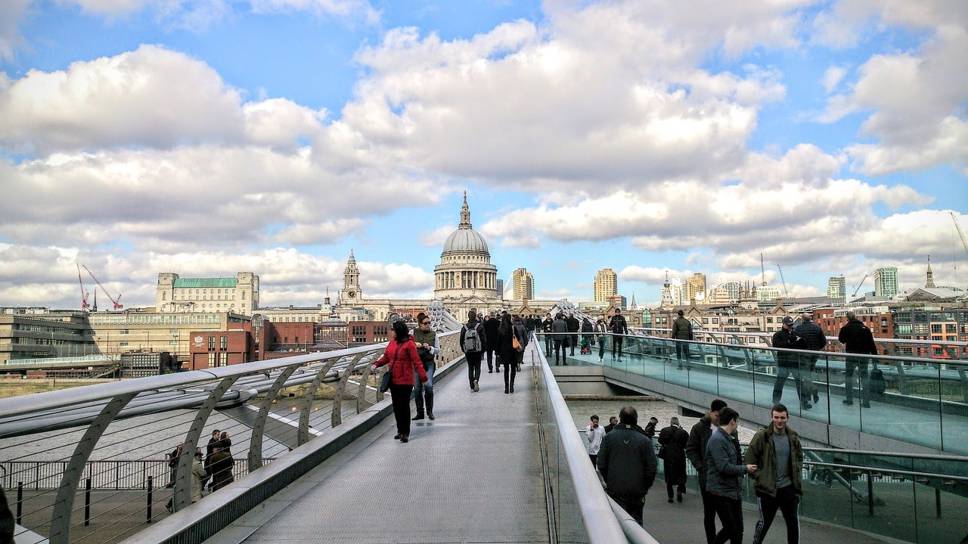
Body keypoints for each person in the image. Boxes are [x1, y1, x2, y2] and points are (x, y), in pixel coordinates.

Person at [745, 404, 804, 544]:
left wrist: (797, 472)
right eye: (776, 417)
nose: (779, 421)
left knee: (793, 524)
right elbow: (749, 460)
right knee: (764, 524)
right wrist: (761, 477)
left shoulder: (793, 437)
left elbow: (799, 457)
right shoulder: (762, 436)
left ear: (787, 418)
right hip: (767, 490)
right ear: (772, 418)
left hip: (788, 488)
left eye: (782, 417)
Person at [597, 406, 658, 526]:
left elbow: (601, 464)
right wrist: (644, 487)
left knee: (616, 524)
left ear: (620, 418)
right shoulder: (644, 440)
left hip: (615, 489)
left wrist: (610, 481)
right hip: (637, 491)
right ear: (636, 419)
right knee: (636, 522)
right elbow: (652, 468)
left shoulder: (609, 438)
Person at [706, 407, 757, 544]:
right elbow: (723, 467)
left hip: (732, 491)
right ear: (732, 421)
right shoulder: (718, 440)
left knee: (738, 529)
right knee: (730, 528)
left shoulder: (726, 438)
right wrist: (745, 469)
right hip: (720, 492)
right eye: (737, 422)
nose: (737, 425)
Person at [373, 320, 429, 443]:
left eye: (393, 330)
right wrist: (376, 364)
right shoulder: (392, 343)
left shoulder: (410, 344)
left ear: (398, 331)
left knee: (404, 406)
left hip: (406, 380)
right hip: (394, 379)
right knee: (397, 406)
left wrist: (423, 377)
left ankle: (405, 432)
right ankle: (399, 430)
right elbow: (386, 357)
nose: (391, 332)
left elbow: (417, 362)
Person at [686, 399, 729, 544]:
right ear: (710, 412)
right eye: (717, 416)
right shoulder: (698, 428)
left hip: (725, 479)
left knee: (729, 520)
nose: (719, 419)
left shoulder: (727, 427)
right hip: (707, 478)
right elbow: (690, 449)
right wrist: (700, 467)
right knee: (709, 514)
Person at [838, 311, 877, 408]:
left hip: (851, 356)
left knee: (849, 377)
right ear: (856, 317)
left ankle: (849, 399)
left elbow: (841, 339)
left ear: (848, 318)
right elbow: (871, 343)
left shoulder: (846, 328)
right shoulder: (865, 329)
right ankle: (866, 401)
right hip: (864, 356)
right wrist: (875, 357)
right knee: (864, 378)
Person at [772, 317, 809, 409]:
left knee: (799, 383)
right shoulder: (778, 335)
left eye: (791, 325)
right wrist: (791, 342)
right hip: (784, 362)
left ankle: (804, 403)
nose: (790, 327)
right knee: (780, 382)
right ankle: (776, 401)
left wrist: (800, 340)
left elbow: (803, 346)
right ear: (783, 324)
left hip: (794, 362)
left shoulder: (795, 334)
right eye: (788, 325)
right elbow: (777, 346)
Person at [794, 312, 827, 404]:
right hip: (814, 355)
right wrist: (816, 349)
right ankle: (809, 395)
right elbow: (824, 342)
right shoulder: (817, 328)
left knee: (805, 376)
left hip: (803, 355)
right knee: (809, 375)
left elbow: (795, 342)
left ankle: (813, 390)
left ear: (802, 319)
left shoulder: (798, 329)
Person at [412, 312, 439, 420]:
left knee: (428, 387)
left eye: (429, 323)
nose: (428, 325)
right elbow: (406, 345)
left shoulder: (434, 334)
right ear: (420, 324)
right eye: (425, 323)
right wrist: (414, 344)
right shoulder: (412, 333)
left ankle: (430, 412)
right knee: (417, 389)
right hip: (416, 364)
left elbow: (438, 350)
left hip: (428, 363)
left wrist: (430, 348)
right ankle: (420, 413)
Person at [658, 417, 690, 503]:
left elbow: (660, 440)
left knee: (669, 475)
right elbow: (687, 444)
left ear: (671, 422)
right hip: (680, 455)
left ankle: (670, 497)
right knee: (681, 474)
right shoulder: (683, 432)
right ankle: (679, 491)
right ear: (678, 423)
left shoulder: (664, 430)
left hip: (668, 456)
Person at [460, 310, 487, 392]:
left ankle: (471, 385)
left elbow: (461, 340)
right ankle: (476, 380)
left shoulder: (464, 327)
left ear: (468, 317)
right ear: (475, 316)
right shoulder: (480, 326)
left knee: (470, 367)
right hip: (478, 350)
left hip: (468, 351)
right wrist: (483, 350)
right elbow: (483, 339)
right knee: (478, 366)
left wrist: (463, 349)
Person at [497, 313, 518, 394]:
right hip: (513, 351)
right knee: (513, 369)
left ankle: (506, 387)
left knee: (506, 369)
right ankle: (511, 386)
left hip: (504, 351)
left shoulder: (500, 329)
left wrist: (498, 352)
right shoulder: (513, 328)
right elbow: (518, 338)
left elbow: (498, 342)